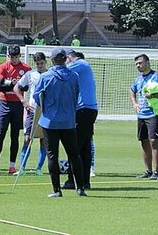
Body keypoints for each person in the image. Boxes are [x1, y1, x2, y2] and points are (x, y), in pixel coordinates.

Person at [33, 48, 86, 197]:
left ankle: (57, 190)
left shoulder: (46, 77)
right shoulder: (74, 76)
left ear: (52, 60)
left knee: (52, 155)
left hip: (50, 121)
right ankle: (80, 188)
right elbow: (76, 94)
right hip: (68, 121)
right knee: (74, 154)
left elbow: (37, 98)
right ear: (65, 59)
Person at [0, 44, 31, 175]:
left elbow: (25, 87)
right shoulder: (3, 67)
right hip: (5, 104)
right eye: (12, 57)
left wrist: (10, 84)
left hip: (18, 105)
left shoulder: (26, 68)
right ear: (8, 56)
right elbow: (0, 86)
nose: (14, 59)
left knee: (15, 135)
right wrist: (14, 84)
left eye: (16, 57)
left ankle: (12, 165)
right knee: (0, 134)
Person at [130, 54, 158, 180]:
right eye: (136, 64)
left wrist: (154, 96)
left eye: (140, 63)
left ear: (147, 62)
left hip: (154, 114)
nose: (138, 66)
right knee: (144, 141)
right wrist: (135, 103)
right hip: (141, 114)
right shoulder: (138, 79)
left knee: (154, 141)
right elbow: (132, 91)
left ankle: (156, 172)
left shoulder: (157, 76)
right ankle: (148, 170)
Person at [63, 49, 98, 190]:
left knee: (75, 146)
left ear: (68, 57)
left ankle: (73, 180)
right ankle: (83, 181)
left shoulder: (81, 64)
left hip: (83, 110)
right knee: (83, 147)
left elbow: (60, 69)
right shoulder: (81, 68)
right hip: (87, 110)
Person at [13, 51, 48, 176]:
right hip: (32, 111)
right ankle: (22, 168)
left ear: (46, 62)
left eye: (42, 63)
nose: (40, 66)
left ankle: (39, 168)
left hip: (46, 112)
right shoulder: (30, 75)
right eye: (38, 64)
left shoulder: (50, 74)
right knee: (27, 139)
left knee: (44, 140)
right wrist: (24, 101)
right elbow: (16, 87)